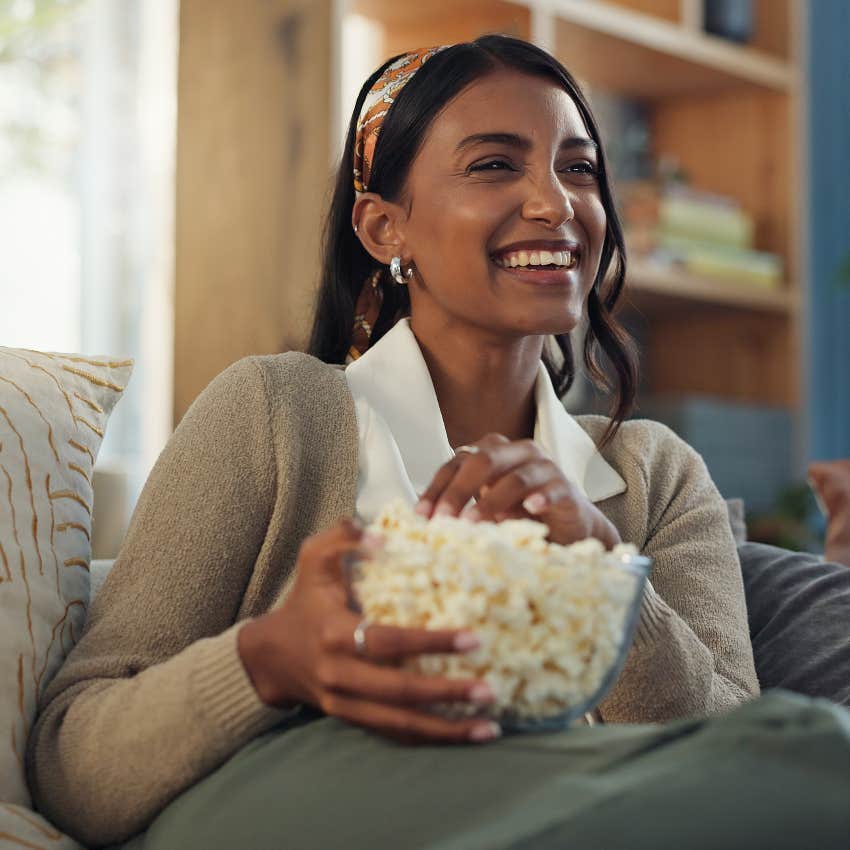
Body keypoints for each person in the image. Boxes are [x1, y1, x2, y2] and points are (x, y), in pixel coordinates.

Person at [26, 36, 850, 850]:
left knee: (818, 757)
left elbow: (741, 753)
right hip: (310, 799)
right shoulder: (276, 413)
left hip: (587, 806)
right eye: (495, 164)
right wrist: (268, 660)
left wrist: (607, 577)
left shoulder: (651, 475)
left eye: (579, 167)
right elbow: (75, 762)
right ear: (385, 229)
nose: (555, 203)